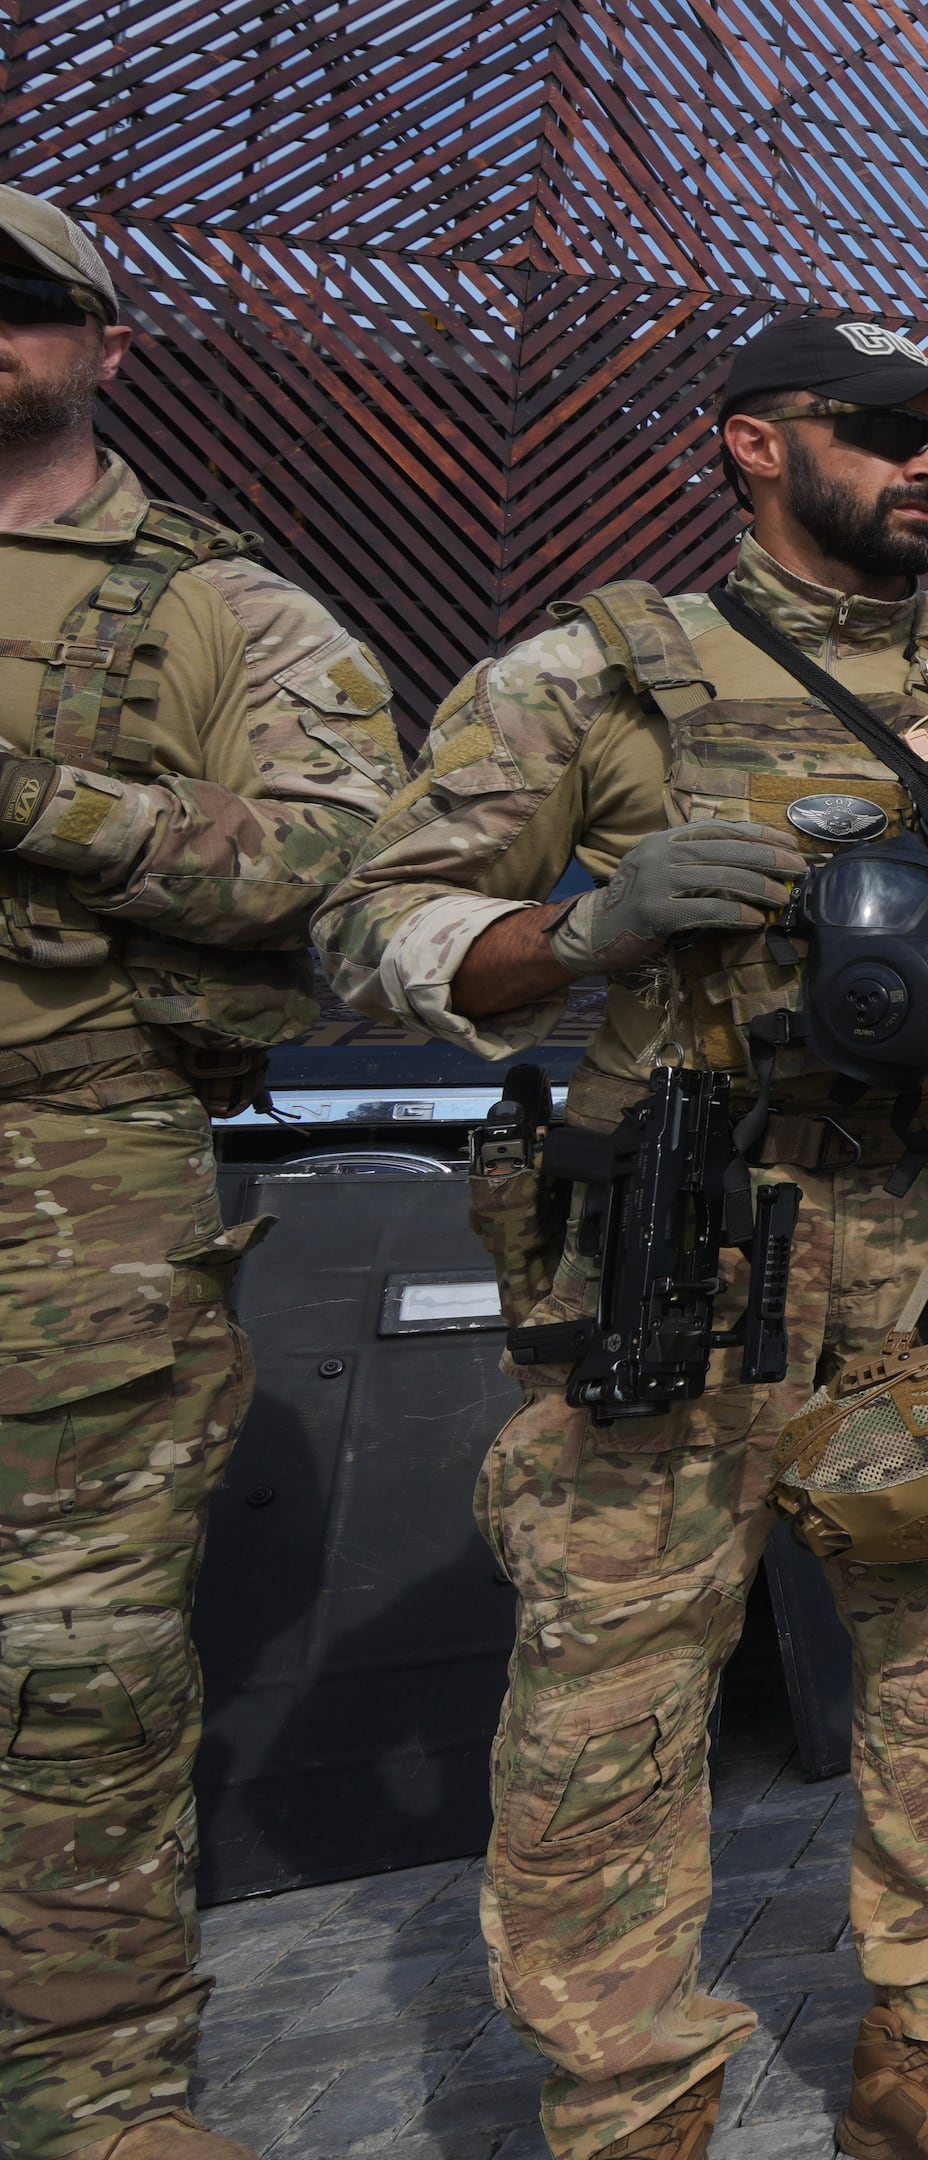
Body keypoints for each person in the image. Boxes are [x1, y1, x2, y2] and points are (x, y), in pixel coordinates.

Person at [320, 315, 928, 2157]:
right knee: (610, 1705)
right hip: (680, 1246)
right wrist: (580, 924)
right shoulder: (595, 678)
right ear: (754, 446)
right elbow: (371, 921)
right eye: (885, 430)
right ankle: (632, 2097)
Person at [0, 187, 402, 2160]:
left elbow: (340, 861)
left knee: (71, 1665)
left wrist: (43, 805)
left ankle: (96, 2099)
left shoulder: (220, 609)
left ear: (100, 345)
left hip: (69, 1170)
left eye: (20, 305)